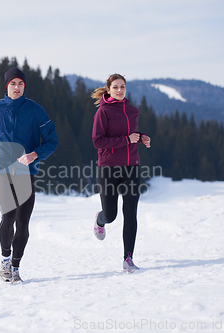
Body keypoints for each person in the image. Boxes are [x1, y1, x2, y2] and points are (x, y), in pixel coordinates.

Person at [0, 67, 58, 284]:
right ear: (7, 86)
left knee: (23, 222)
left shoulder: (35, 110)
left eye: (21, 83)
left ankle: (16, 266)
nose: (17, 87)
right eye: (13, 83)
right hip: (1, 170)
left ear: (25, 86)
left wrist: (35, 154)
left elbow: (52, 140)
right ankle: (5, 261)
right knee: (8, 216)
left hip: (25, 172)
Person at [91, 73, 151, 273]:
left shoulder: (132, 110)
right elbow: (98, 141)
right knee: (111, 214)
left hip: (132, 167)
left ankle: (128, 259)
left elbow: (131, 134)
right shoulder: (103, 112)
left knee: (131, 213)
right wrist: (127, 139)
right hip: (108, 167)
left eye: (122, 87)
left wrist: (141, 137)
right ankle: (100, 220)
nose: (119, 90)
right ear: (108, 90)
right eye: (115, 87)